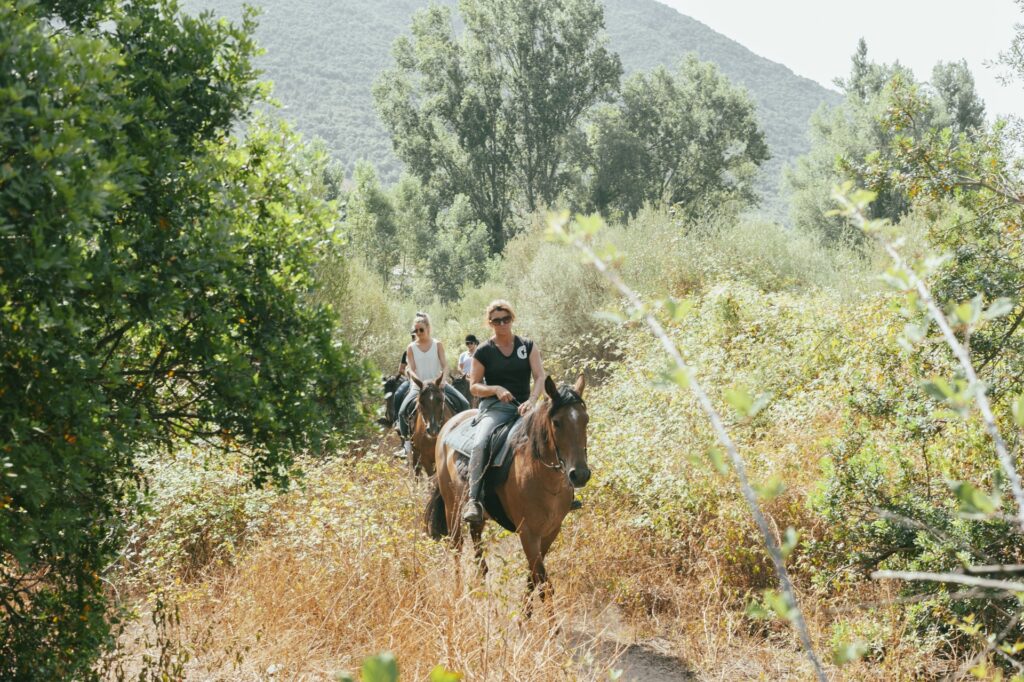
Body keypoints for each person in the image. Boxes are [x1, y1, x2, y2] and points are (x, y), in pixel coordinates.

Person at [462, 300, 547, 524]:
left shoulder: (527, 345)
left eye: (506, 319)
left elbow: (539, 377)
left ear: (512, 319)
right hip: (495, 408)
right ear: (490, 323)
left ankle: (567, 489)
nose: (502, 324)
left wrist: (531, 400)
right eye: (497, 320)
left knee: (553, 430)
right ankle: (474, 500)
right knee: (480, 442)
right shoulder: (483, 351)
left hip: (525, 406)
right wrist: (496, 389)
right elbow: (474, 386)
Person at [397, 313, 470, 452]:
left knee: (465, 404)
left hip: (438, 385)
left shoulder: (437, 344)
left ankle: (465, 437)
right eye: (416, 330)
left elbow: (445, 365)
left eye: (421, 330)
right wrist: (416, 380)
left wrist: (443, 380)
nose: (418, 333)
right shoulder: (411, 347)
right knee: (401, 412)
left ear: (428, 328)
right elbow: (411, 368)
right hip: (419, 387)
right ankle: (406, 445)